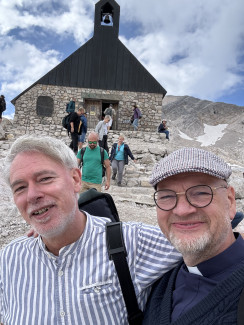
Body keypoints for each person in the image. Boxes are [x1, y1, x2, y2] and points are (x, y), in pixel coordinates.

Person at [0, 134, 182, 325]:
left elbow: (208, 249)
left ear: (75, 179)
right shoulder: (10, 259)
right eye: (20, 188)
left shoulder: (132, 242)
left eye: (45, 179)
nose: (32, 195)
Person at [143, 147, 244, 324]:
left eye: (201, 193)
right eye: (167, 196)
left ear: (230, 201)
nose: (182, 210)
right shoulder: (158, 283)